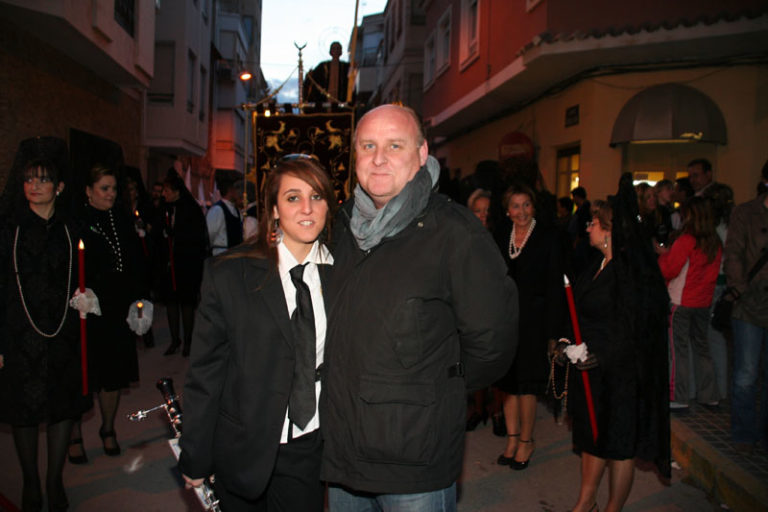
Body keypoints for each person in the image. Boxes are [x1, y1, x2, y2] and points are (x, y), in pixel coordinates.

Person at [320, 104, 518, 510]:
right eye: (368, 145)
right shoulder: (340, 226)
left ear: (422, 154)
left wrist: (442, 386)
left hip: (414, 460)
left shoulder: (455, 233)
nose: (378, 158)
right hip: (341, 456)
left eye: (395, 145)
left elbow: (492, 340)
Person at [179, 156, 335, 511]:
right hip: (242, 442)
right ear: (274, 209)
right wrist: (196, 453)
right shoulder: (229, 275)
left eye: (317, 196)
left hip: (308, 446)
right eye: (293, 197)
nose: (307, 208)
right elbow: (206, 373)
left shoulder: (343, 272)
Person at [554, 174, 670, 512]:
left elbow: (632, 328)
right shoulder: (594, 265)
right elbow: (578, 312)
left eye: (592, 223)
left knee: (619, 445)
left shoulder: (629, 272)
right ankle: (584, 502)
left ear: (607, 229)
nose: (587, 227)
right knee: (592, 438)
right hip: (590, 369)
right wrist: (565, 342)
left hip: (620, 374)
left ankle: (612, 508)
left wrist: (600, 355)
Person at [0, 137, 92, 512]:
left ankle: (54, 480)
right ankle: (32, 482)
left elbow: (87, 276)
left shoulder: (73, 231)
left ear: (60, 186)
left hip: (62, 334)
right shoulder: (9, 230)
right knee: (23, 411)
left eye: (42, 180)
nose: (33, 186)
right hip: (19, 335)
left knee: (62, 408)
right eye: (28, 179)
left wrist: (90, 296)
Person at [69, 163, 146, 463]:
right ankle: (74, 434)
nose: (111, 194)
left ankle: (108, 428)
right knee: (84, 373)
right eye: (105, 188)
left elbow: (136, 263)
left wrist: (140, 301)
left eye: (114, 188)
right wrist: (79, 294)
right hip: (87, 310)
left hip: (116, 308)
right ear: (88, 191)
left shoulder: (122, 220)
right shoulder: (77, 221)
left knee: (113, 374)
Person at [494, 183, 565, 469]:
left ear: (533, 207)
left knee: (527, 385)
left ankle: (527, 441)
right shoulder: (500, 236)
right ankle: (512, 439)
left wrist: (553, 332)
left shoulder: (549, 237)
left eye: (526, 205)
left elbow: (555, 286)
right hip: (506, 319)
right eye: (516, 206)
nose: (521, 211)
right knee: (507, 383)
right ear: (507, 210)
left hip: (535, 322)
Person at [656, 197, 722, 411]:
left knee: (678, 351)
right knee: (702, 348)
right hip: (703, 301)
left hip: (681, 301)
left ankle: (679, 396)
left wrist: (662, 256)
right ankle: (709, 394)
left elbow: (670, 269)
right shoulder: (714, 242)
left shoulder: (686, 240)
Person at [724, 164, 768, 453]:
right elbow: (735, 254)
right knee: (746, 373)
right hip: (750, 304)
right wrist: (739, 288)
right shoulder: (746, 213)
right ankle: (743, 432)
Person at [155, 172, 209, 356]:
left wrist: (176, 235)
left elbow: (197, 238)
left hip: (186, 265)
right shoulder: (164, 208)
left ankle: (188, 341)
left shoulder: (190, 209)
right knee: (171, 302)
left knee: (186, 303)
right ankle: (174, 339)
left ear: (177, 191)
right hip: (169, 266)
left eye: (167, 190)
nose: (164, 194)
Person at [303, 41, 353, 109]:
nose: (336, 51)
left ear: (341, 52)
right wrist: (309, 75)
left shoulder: (345, 66)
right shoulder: (323, 66)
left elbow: (350, 80)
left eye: (338, 48)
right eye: (334, 48)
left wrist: (353, 68)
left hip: (340, 102)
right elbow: (314, 80)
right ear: (330, 51)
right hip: (325, 100)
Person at [206, 177, 243, 255]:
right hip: (220, 254)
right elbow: (209, 234)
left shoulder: (236, 210)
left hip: (233, 254)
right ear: (230, 191)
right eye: (235, 190)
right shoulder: (217, 210)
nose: (238, 193)